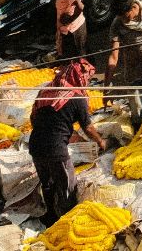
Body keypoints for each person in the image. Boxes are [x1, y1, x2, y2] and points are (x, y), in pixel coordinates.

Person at [28, 60, 105, 224]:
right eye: (88, 79)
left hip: (35, 145)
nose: (88, 82)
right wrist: (100, 142)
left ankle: (50, 216)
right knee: (67, 186)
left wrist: (57, 127)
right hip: (55, 150)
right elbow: (88, 128)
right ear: (80, 77)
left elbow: (33, 118)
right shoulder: (78, 98)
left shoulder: (46, 92)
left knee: (47, 183)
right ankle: (66, 220)